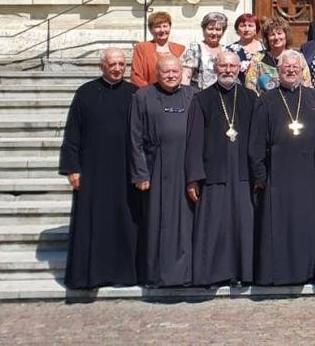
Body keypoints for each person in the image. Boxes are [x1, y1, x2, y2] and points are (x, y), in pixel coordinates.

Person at [58, 47, 139, 290]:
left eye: (121, 64)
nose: (117, 69)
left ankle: (124, 274)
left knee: (124, 221)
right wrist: (72, 168)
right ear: (101, 66)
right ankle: (90, 275)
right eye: (112, 64)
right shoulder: (85, 93)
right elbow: (73, 132)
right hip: (92, 171)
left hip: (125, 170)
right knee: (92, 223)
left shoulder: (135, 94)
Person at [248, 50, 315, 286]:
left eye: (295, 68)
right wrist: (260, 174)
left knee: (304, 223)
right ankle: (276, 274)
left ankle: (305, 271)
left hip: (308, 172)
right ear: (278, 72)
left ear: (302, 71)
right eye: (286, 68)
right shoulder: (267, 99)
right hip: (276, 174)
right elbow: (256, 141)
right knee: (277, 224)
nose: (291, 71)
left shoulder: (313, 97)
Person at [185, 51, 256, 286]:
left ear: (239, 69)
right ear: (215, 68)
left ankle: (242, 273)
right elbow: (194, 140)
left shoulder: (250, 97)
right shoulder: (202, 98)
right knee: (215, 226)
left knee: (242, 225)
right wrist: (194, 177)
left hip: (244, 171)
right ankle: (213, 274)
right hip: (213, 171)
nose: (228, 70)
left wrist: (259, 173)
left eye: (232, 66)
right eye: (223, 65)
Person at [129, 55, 197, 287]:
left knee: (185, 221)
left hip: (185, 167)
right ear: (157, 73)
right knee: (157, 221)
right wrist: (140, 173)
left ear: (182, 73)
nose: (170, 75)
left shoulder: (193, 95)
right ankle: (155, 274)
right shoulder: (143, 96)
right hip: (154, 167)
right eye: (166, 72)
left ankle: (185, 274)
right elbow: (134, 137)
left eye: (175, 72)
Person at [248, 17, 309, 92]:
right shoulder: (257, 58)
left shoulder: (298, 57)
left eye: (279, 33)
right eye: (272, 34)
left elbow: (307, 83)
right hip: (265, 102)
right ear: (267, 38)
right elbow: (250, 86)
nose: (276, 37)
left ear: (286, 35)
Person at [132, 11, 185, 87]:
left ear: (170, 27)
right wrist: (148, 93)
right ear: (151, 29)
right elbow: (136, 76)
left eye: (165, 26)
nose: (162, 30)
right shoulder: (142, 48)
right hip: (149, 93)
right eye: (158, 27)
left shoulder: (180, 49)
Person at [181, 12, 228, 89]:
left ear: (223, 32)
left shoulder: (226, 50)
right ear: (203, 30)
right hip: (199, 96)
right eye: (210, 29)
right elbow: (186, 76)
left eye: (218, 29)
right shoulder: (194, 49)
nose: (214, 32)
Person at [225, 13, 264, 79]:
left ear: (256, 29)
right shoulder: (229, 50)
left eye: (250, 26)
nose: (246, 29)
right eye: (243, 26)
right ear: (237, 29)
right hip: (239, 87)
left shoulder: (264, 47)